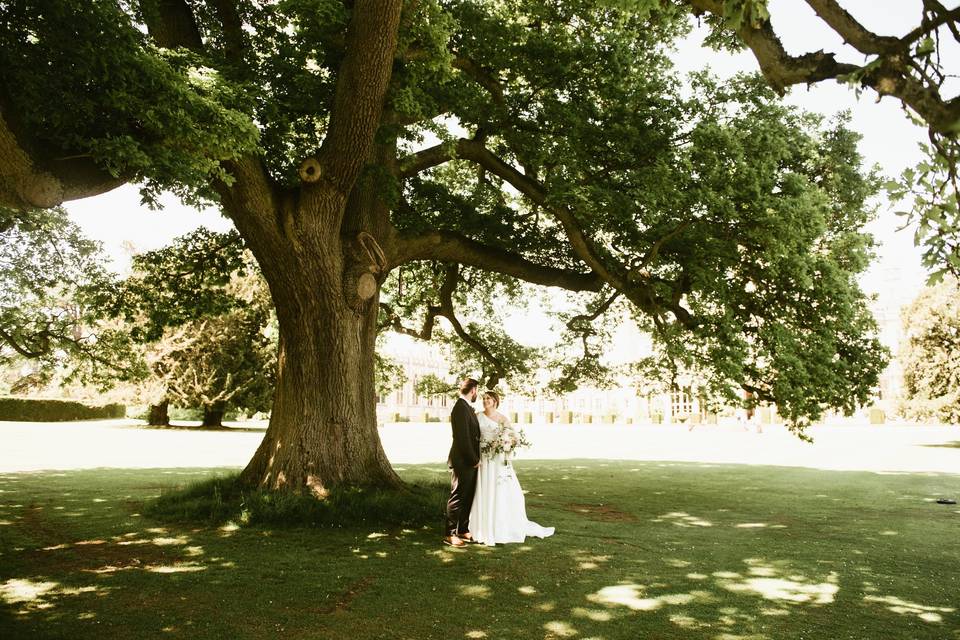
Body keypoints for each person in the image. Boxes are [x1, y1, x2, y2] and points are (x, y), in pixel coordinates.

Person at [469, 390, 554, 546]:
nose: (486, 400)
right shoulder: (477, 416)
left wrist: (505, 443)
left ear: (495, 401)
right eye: (484, 398)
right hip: (483, 456)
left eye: (489, 398)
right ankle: (482, 527)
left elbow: (513, 437)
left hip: (498, 459)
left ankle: (500, 527)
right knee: (484, 489)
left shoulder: (502, 418)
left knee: (500, 489)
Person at [444, 377, 481, 547]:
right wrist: (474, 460)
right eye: (477, 391)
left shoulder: (467, 407)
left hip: (469, 461)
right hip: (462, 461)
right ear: (473, 390)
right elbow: (463, 438)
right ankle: (450, 534)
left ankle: (463, 530)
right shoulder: (460, 408)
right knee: (458, 496)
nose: (477, 394)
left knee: (468, 496)